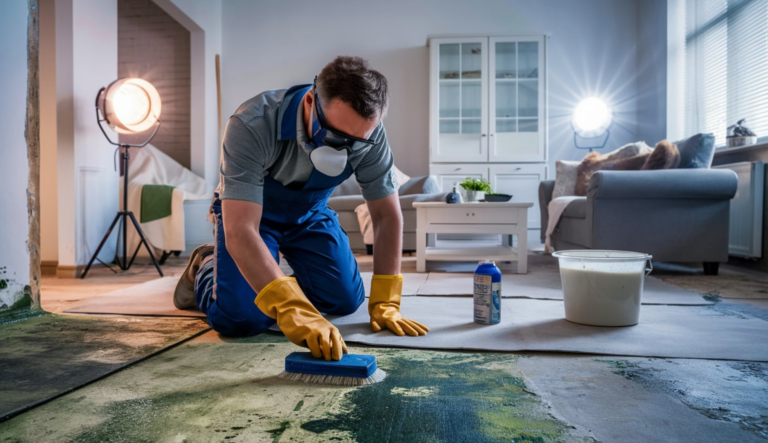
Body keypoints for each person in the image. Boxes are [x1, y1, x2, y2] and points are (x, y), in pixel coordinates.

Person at [174, 56, 428, 361]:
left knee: (346, 300)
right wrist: (289, 306)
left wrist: (387, 300)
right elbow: (241, 230)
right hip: (251, 218)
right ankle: (206, 265)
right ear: (310, 102)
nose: (344, 150)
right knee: (242, 318)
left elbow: (386, 216)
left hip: (309, 213)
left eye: (356, 143)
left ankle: (281, 272)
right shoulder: (251, 124)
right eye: (335, 137)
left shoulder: (371, 136)